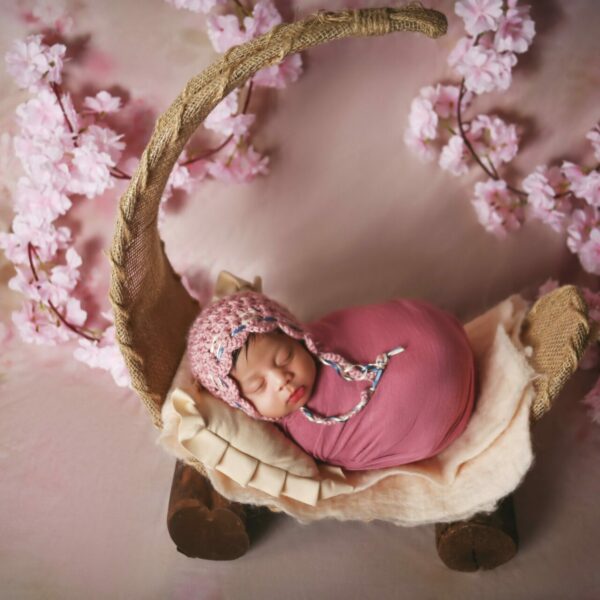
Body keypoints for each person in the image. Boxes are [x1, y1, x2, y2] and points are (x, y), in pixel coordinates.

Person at [187, 290, 476, 471]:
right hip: (440, 399)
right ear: (242, 404)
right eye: (258, 386)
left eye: (285, 357)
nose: (282, 380)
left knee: (426, 344)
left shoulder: (325, 334)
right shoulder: (307, 434)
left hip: (438, 336)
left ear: (296, 335)